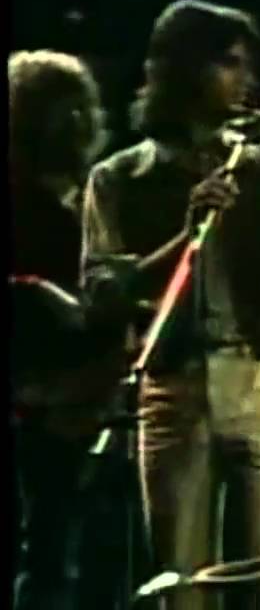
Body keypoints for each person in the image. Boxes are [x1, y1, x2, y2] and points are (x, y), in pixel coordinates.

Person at [80, 0, 260, 610]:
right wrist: (182, 236)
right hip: (172, 388)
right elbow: (102, 293)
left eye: (245, 64)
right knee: (181, 589)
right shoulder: (119, 178)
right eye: (228, 63)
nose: (245, 78)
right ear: (182, 69)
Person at [8, 49, 119, 610]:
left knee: (103, 552)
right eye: (60, 108)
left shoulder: (97, 190)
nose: (77, 119)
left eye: (82, 106)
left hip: (100, 388)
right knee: (49, 551)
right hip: (37, 396)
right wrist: (35, 291)